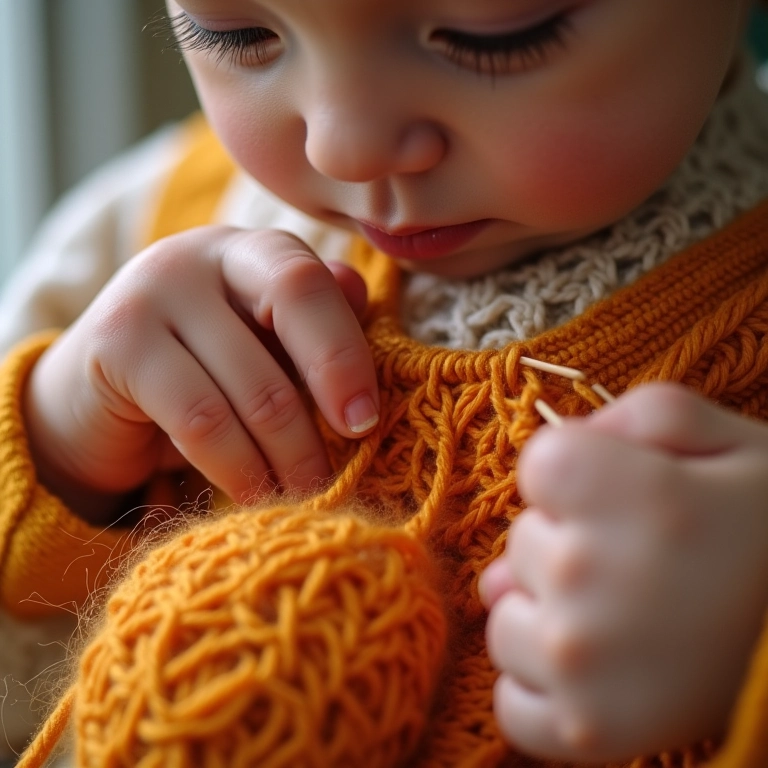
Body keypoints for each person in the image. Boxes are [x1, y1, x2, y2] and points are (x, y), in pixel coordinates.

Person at [2, 0, 768, 765]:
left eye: (492, 35)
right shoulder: (152, 221)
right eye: (236, 32)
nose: (345, 147)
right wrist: (60, 444)